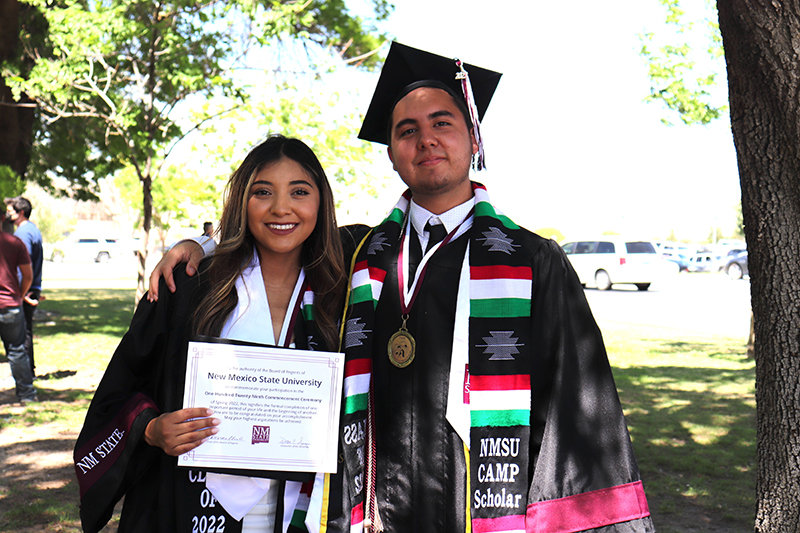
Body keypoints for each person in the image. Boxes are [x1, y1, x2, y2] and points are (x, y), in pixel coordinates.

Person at [150, 42, 654, 532]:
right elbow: (276, 232)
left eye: (442, 123)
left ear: (473, 139)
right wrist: (199, 244)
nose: (426, 139)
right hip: (372, 508)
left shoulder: (531, 262)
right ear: (392, 153)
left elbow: (575, 405)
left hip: (475, 508)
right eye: (407, 130)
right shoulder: (354, 252)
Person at [75, 135, 358, 533]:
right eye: (263, 192)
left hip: (306, 512)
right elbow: (119, 392)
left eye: (299, 191)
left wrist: (202, 241)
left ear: (321, 202)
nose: (281, 208)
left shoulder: (343, 289)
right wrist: (153, 429)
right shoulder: (191, 287)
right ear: (243, 201)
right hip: (191, 506)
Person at [0, 209, 37, 404]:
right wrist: (20, 295)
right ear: (3, 218)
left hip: (9, 304)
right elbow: (28, 275)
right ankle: (27, 395)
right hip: (10, 305)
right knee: (17, 351)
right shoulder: (15, 243)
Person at [6, 196, 44, 376]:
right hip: (32, 288)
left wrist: (21, 292)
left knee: (21, 335)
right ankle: (30, 370)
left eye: (11, 211)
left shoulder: (22, 233)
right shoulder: (33, 230)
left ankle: (26, 374)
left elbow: (23, 266)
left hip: (24, 290)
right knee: (26, 330)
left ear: (21, 213)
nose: (7, 215)